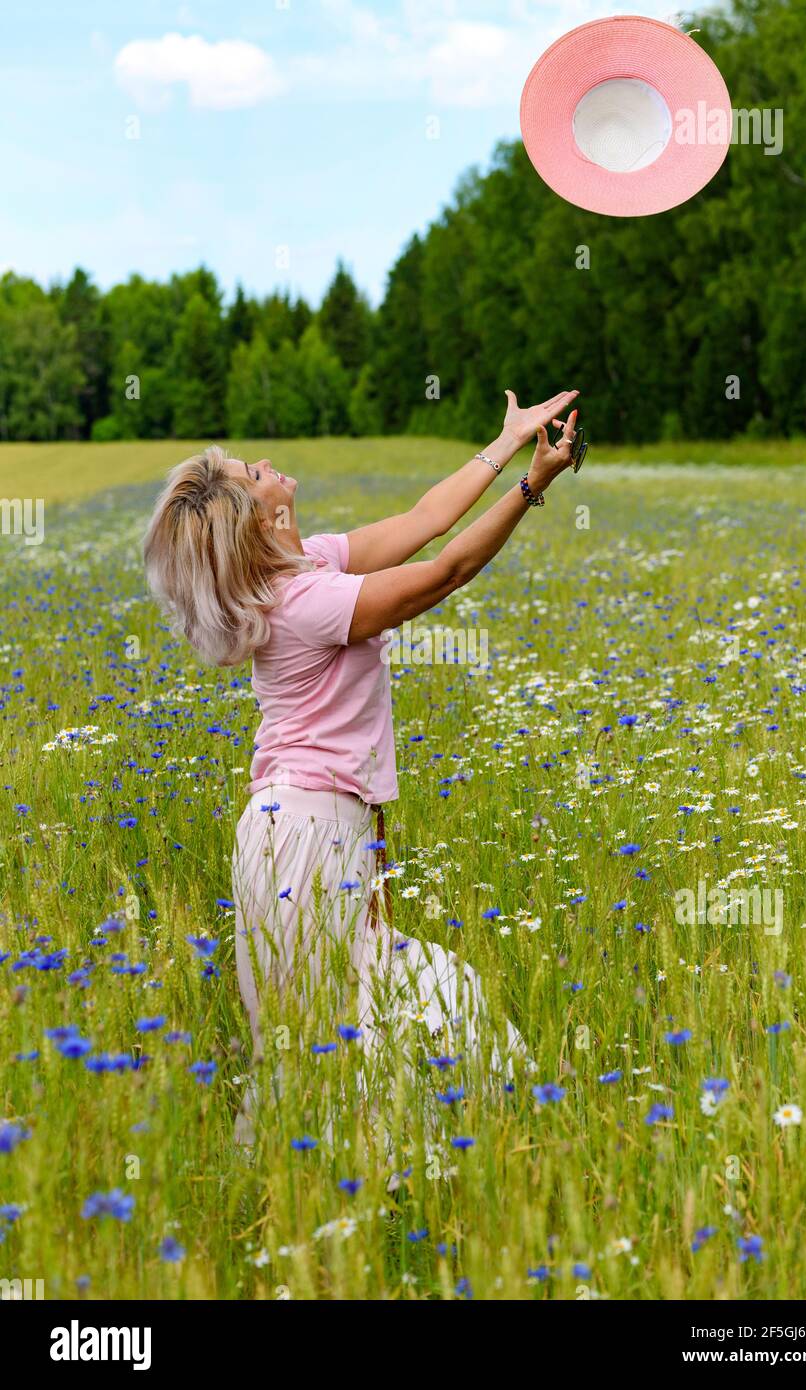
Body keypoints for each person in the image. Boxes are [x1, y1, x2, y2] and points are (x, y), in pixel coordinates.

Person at [143, 389, 580, 1142]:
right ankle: (374, 1175)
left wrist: (507, 441)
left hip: (304, 828)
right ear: (262, 517)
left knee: (328, 1025)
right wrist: (532, 487)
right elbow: (444, 571)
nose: (268, 463)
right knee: (337, 1025)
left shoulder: (304, 564)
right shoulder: (306, 601)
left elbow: (420, 522)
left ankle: (359, 1176)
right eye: (255, 472)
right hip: (306, 834)